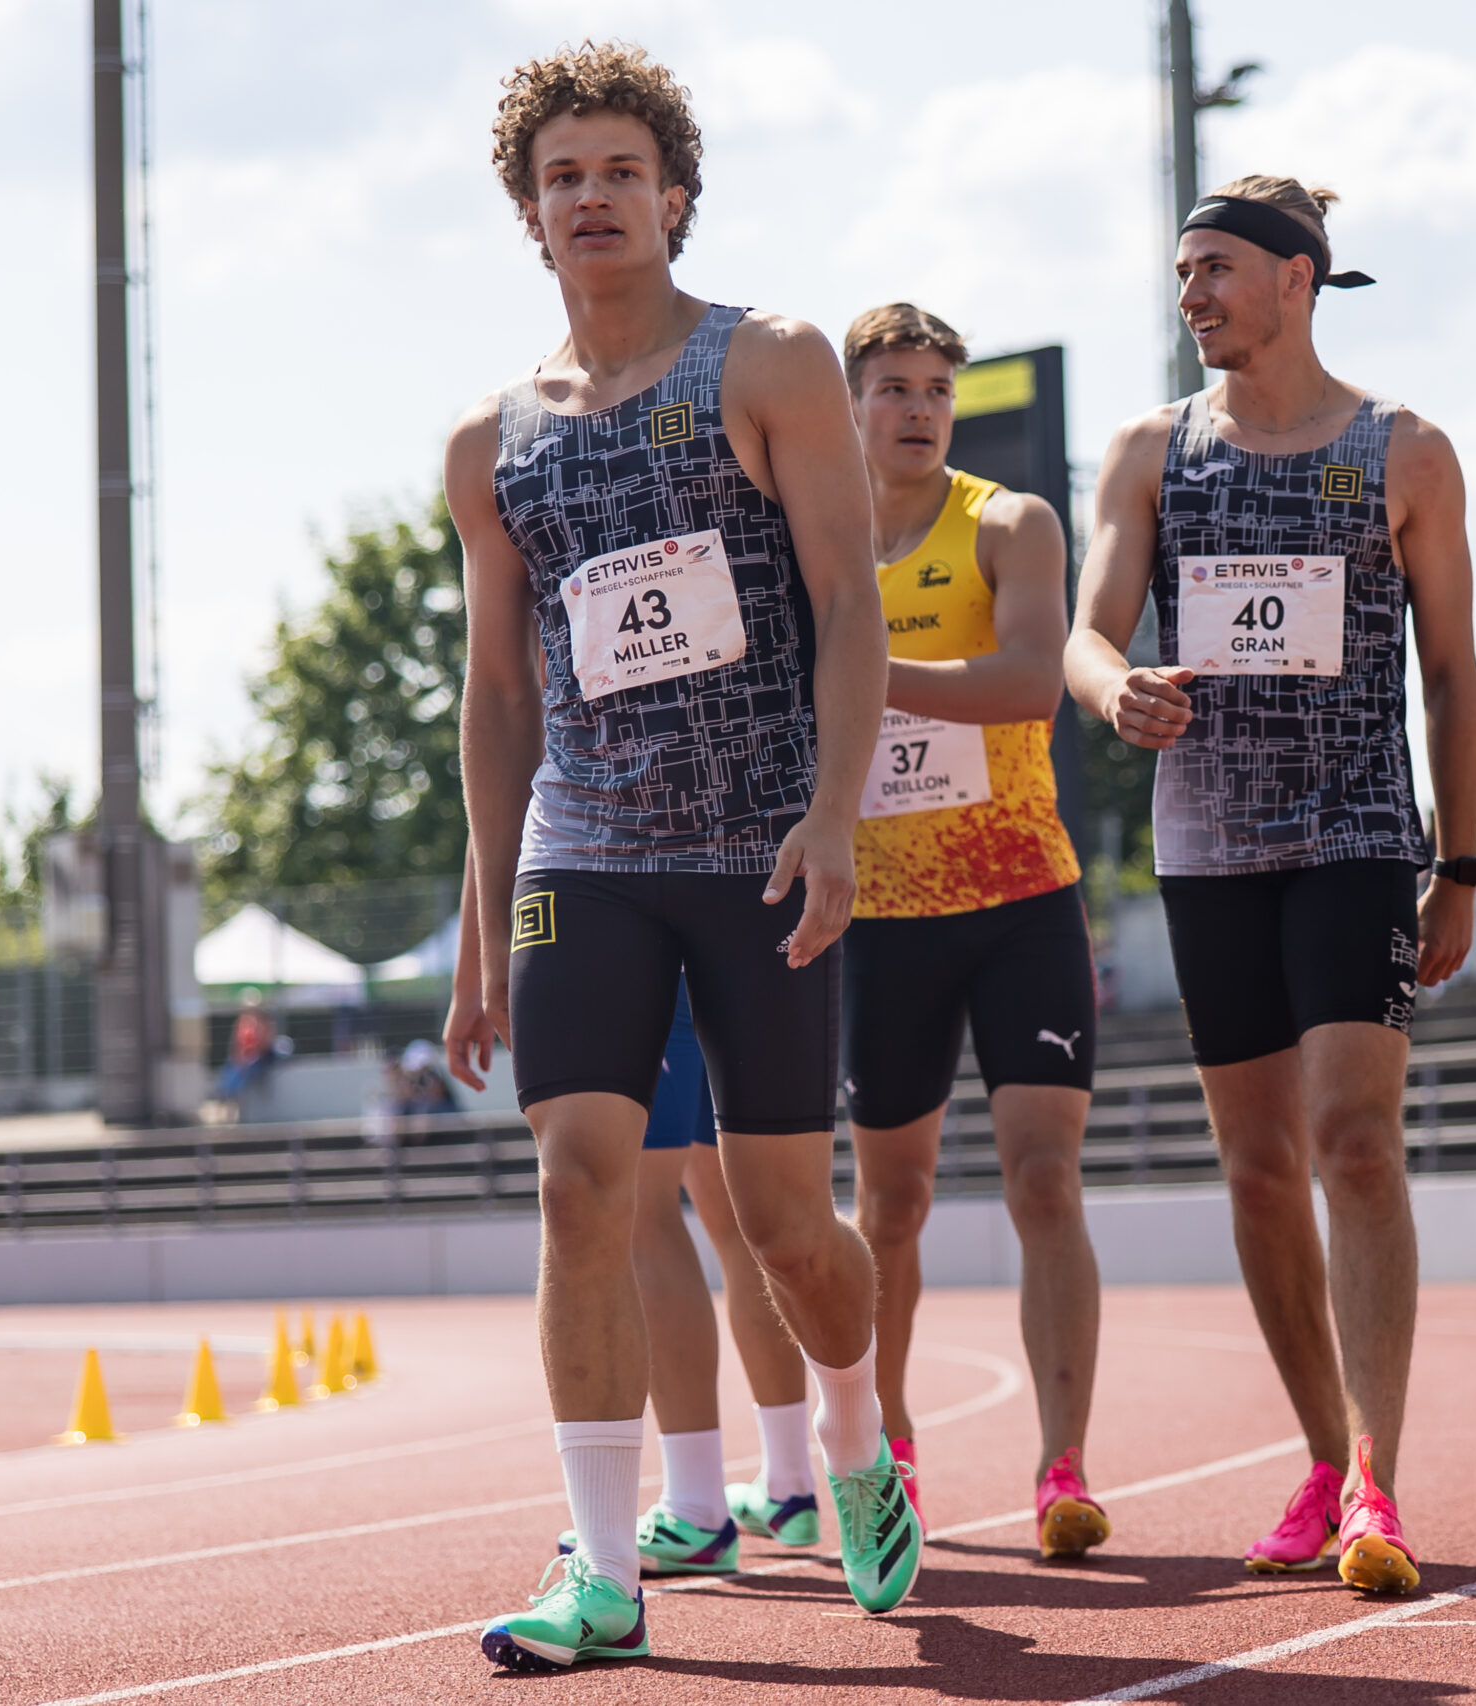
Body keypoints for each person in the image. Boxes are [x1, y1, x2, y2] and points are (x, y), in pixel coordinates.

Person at [450, 43, 906, 1671]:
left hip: (757, 843)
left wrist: (836, 814)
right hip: (588, 850)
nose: (592, 197)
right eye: (561, 176)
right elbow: (500, 694)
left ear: (674, 196)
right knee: (582, 1186)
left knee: (785, 1227)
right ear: (528, 213)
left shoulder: (766, 362)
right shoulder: (492, 444)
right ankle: (600, 1566)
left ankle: (854, 1439)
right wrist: (479, 928)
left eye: (620, 171)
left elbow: (850, 603)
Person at [1065, 176, 1476, 1596]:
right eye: (1181, 273)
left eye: (1217, 270)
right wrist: (1116, 688)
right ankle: (1321, 1453)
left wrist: (1461, 864)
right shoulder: (1149, 450)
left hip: (1361, 830)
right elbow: (1086, 632)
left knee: (1354, 1142)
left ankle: (1377, 1479)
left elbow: (1452, 671)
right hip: (1209, 849)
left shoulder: (1404, 449)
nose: (1191, 295)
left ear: (1299, 277)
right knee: (1255, 1170)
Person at [836, 304, 1109, 1560]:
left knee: (1041, 1179)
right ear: (847, 403)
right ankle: (888, 1443)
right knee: (886, 1203)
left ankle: (1061, 1462)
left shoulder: (1007, 521)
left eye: (935, 388)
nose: (917, 408)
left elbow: (1028, 681)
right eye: (891, 386)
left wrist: (858, 670)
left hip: (1017, 898)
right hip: (879, 917)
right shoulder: (814, 549)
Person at [446, 853, 824, 1575]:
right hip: (738, 893)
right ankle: (788, 1481)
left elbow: (498, 801)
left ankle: (696, 1506)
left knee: (645, 1212)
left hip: (626, 910)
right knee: (744, 1213)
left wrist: (474, 974)